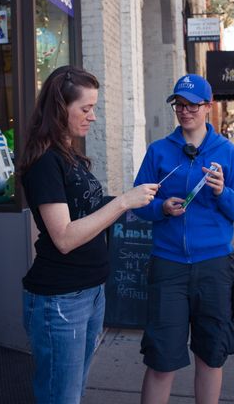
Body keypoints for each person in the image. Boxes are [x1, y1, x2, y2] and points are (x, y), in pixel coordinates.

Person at [19, 65, 158, 404]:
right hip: (61, 300)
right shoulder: (44, 163)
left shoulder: (71, 156)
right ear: (58, 108)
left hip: (92, 292)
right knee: (60, 397)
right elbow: (64, 237)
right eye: (85, 108)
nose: (92, 117)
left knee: (74, 391)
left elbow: (86, 210)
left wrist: (144, 200)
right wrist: (124, 202)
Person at [134, 74, 234, 404]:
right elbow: (138, 203)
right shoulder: (158, 151)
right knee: (161, 360)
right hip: (169, 267)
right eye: (179, 104)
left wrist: (222, 192)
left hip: (215, 268)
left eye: (192, 105)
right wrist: (161, 208)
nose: (184, 111)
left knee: (211, 356)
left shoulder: (226, 153)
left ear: (208, 107)